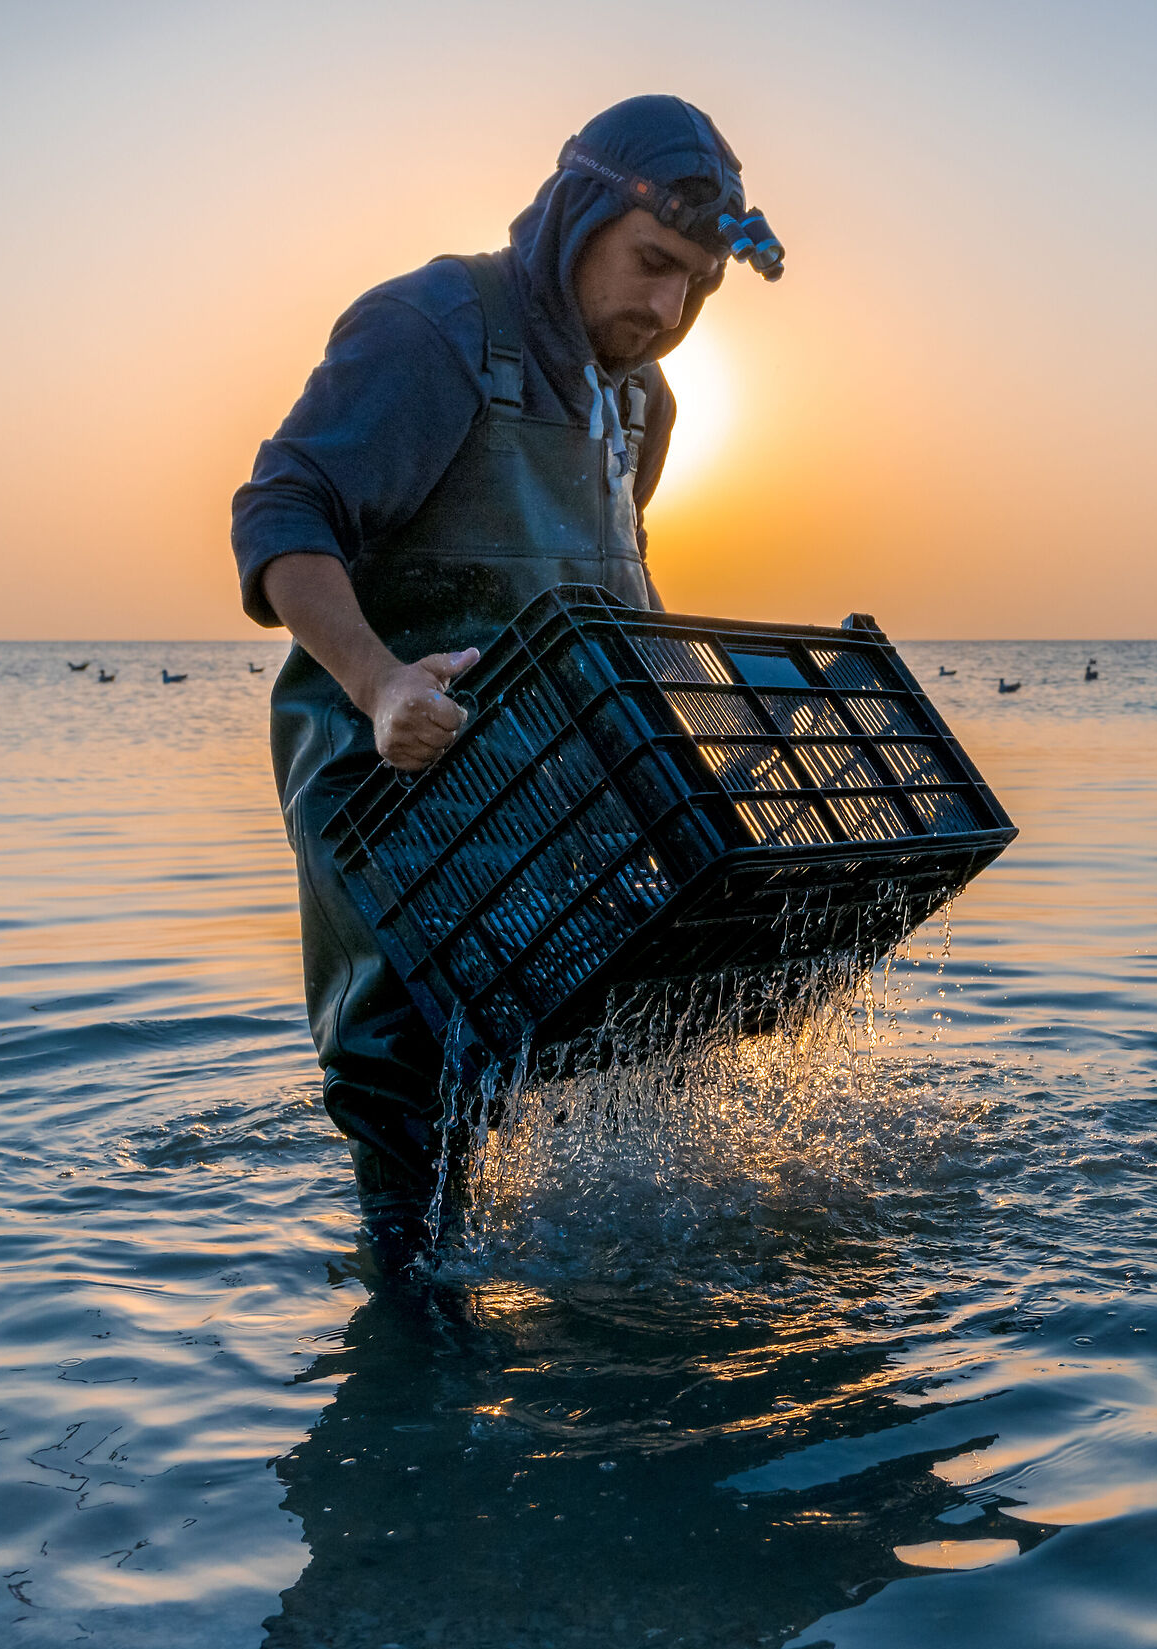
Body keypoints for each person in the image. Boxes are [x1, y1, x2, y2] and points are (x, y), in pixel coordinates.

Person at [229, 95, 783, 1273]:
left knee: (613, 1037)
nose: (665, 309)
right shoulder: (430, 330)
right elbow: (281, 517)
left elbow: (613, 577)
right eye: (650, 265)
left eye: (695, 285)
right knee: (410, 1091)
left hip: (553, 803)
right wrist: (380, 684)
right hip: (398, 785)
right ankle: (404, 1344)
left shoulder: (642, 400)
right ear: (579, 215)